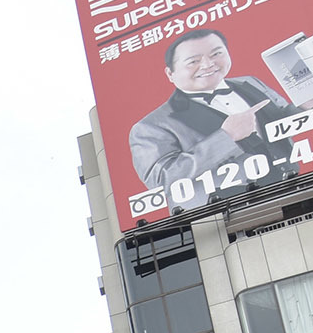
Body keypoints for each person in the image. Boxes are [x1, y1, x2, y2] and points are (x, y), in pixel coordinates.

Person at [127, 29, 297, 213]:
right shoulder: (149, 126)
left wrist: (304, 105)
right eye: (194, 61)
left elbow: (280, 125)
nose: (208, 64)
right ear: (170, 73)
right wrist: (226, 137)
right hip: (224, 216)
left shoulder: (250, 82)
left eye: (216, 54)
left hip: (295, 186)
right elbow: (162, 181)